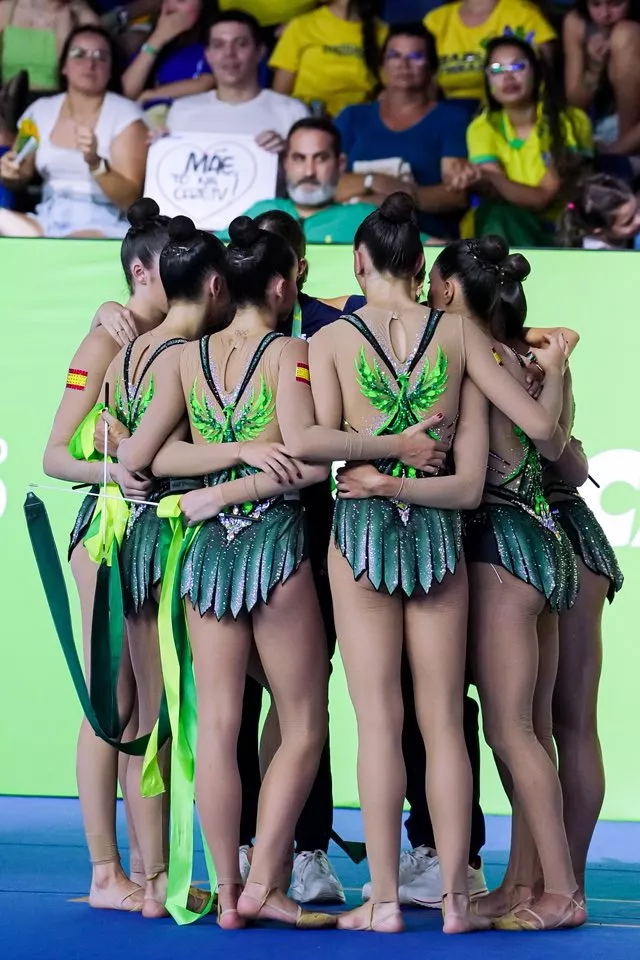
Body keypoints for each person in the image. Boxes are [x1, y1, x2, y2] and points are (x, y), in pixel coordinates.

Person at [291, 192, 569, 933]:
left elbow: (313, 446)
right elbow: (518, 448)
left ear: (358, 262)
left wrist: (380, 464)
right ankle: (453, 901)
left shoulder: (330, 342)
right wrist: (561, 363)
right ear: (422, 267)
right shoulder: (456, 336)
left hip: (361, 534)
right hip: (442, 533)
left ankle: (382, 902)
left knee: (378, 722)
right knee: (444, 721)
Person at [93, 207, 231, 920]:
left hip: (133, 536)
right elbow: (143, 455)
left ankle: (150, 879)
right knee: (156, 719)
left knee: (144, 716)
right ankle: (156, 887)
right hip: (155, 539)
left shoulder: (129, 349)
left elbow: (116, 440)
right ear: (212, 286)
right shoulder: (181, 356)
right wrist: (241, 452)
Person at [41, 199, 171, 912]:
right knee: (107, 709)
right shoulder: (103, 345)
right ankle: (102, 872)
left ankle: (154, 874)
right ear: (140, 272)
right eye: (168, 274)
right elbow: (55, 455)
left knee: (148, 708)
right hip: (107, 536)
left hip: (156, 535)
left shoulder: (174, 339)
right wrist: (112, 470)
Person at [0, 25, 148, 237]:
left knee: (69, 245)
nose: (90, 63)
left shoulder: (126, 115)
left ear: (111, 70)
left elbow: (129, 200)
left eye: (101, 57)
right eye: (79, 54)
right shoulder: (39, 111)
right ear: (63, 67)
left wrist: (96, 163)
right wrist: (10, 173)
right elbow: (20, 169)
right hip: (46, 221)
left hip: (103, 224)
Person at [451, 37, 593, 246]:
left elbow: (543, 197)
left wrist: (487, 176)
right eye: (497, 69)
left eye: (518, 66)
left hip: (561, 230)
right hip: (505, 225)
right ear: (487, 79)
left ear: (537, 72)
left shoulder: (570, 121)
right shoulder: (481, 127)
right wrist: (471, 176)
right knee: (495, 213)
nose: (508, 77)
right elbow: (499, 194)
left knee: (500, 217)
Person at [334, 22, 468, 239]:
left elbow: (454, 196)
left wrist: (393, 200)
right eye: (395, 55)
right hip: (353, 234)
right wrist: (374, 181)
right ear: (381, 65)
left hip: (427, 238)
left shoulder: (451, 118)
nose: (404, 64)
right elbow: (329, 182)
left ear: (432, 67)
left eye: (416, 56)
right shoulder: (352, 116)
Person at [166, 9, 308, 153]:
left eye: (241, 44)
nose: (229, 53)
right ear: (208, 55)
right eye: (218, 45)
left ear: (259, 52)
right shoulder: (182, 111)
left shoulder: (291, 111)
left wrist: (287, 153)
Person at [239, 117, 380, 244]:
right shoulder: (259, 212)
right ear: (285, 163)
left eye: (321, 159)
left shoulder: (366, 220)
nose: (309, 172)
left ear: (341, 164)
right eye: (299, 158)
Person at [424, 0, 556, 116]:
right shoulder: (436, 20)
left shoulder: (524, 14)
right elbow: (423, 87)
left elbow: (546, 79)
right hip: (453, 117)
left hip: (513, 113)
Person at [270, 0, 388, 118]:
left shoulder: (383, 33)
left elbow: (390, 90)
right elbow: (280, 95)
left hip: (358, 121)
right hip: (307, 120)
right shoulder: (301, 25)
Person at [563, 0, 640, 156]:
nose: (605, 14)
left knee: (625, 33)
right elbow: (576, 100)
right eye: (595, 4)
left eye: (615, 4)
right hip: (601, 123)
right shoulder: (576, 22)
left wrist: (622, 147)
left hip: (631, 133)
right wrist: (594, 67)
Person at [121, 0, 215, 119]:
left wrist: (151, 95)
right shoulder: (151, 44)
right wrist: (158, 38)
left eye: (182, 0)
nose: (171, 5)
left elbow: (206, 83)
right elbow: (127, 92)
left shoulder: (215, 43)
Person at [0, 0, 99, 95]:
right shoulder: (7, 9)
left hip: (55, 103)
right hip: (9, 104)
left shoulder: (82, 18)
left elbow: (79, 77)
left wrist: (65, 30)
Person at [558, 172, 640, 248]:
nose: (638, 220)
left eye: (637, 210)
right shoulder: (599, 256)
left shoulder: (621, 233)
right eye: (628, 222)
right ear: (600, 232)